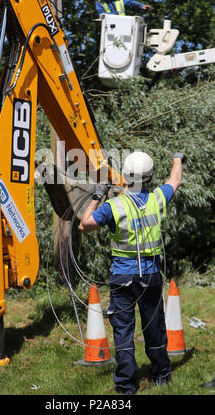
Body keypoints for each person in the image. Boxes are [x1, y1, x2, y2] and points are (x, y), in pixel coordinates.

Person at [79, 150, 185, 395]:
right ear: (149, 177)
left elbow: (85, 224)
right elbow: (175, 180)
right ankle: (161, 376)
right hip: (150, 276)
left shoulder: (113, 206)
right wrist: (177, 158)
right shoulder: (158, 198)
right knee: (153, 326)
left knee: (124, 331)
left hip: (123, 277)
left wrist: (97, 194)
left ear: (125, 176)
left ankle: (126, 385)